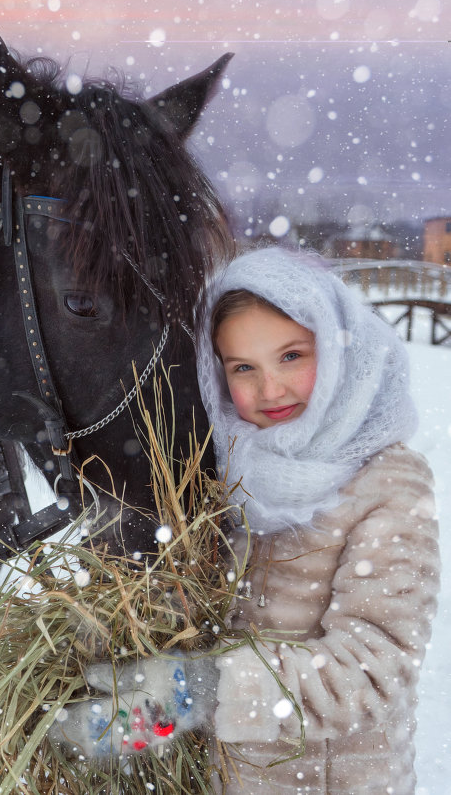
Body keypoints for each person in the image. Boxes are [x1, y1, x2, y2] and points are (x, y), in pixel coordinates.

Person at [50, 247, 440, 795]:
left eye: (291, 356)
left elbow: (375, 671)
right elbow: (206, 604)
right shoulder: (230, 467)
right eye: (243, 368)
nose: (270, 390)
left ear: (336, 345)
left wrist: (204, 688)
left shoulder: (388, 479)